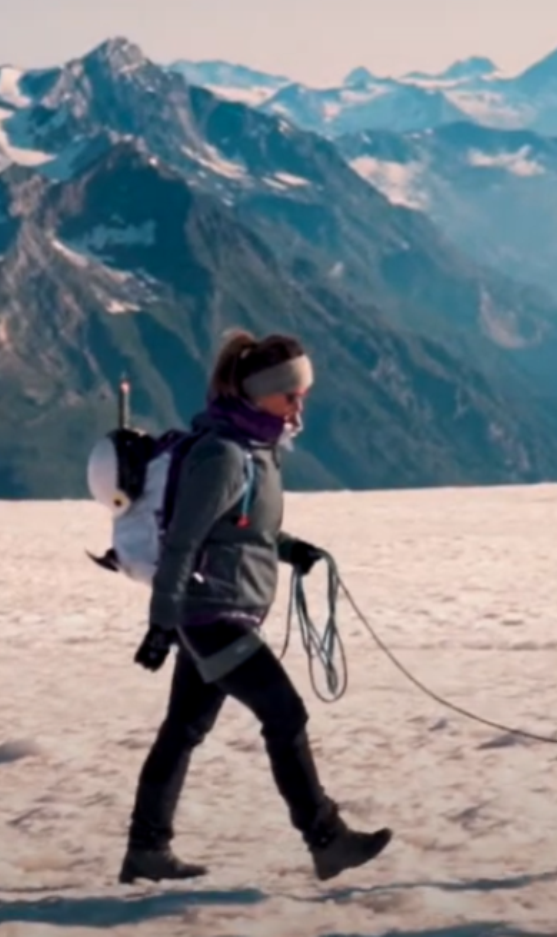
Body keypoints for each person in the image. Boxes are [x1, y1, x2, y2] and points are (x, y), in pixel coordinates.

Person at [119, 331, 393, 885]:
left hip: (220, 609)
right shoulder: (223, 455)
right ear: (259, 393)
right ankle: (327, 839)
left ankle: (147, 850)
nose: (300, 405)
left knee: (182, 729)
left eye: (303, 394)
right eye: (290, 395)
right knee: (284, 714)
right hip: (212, 615)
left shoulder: (254, 450)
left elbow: (242, 530)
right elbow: (183, 540)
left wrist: (291, 550)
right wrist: (162, 624)